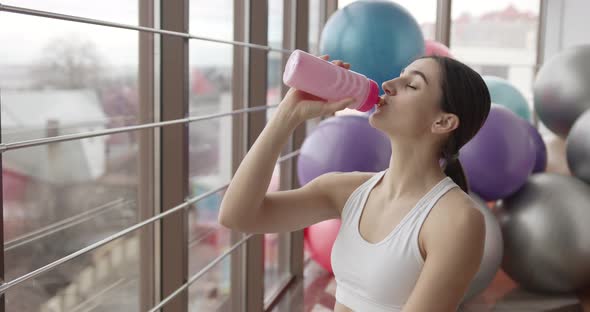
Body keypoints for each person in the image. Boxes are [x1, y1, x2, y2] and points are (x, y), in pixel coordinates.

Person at [219, 54, 491, 312]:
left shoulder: (457, 220)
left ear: (443, 122)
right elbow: (239, 216)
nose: (387, 85)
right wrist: (286, 116)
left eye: (410, 85)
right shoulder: (345, 191)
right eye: (399, 76)